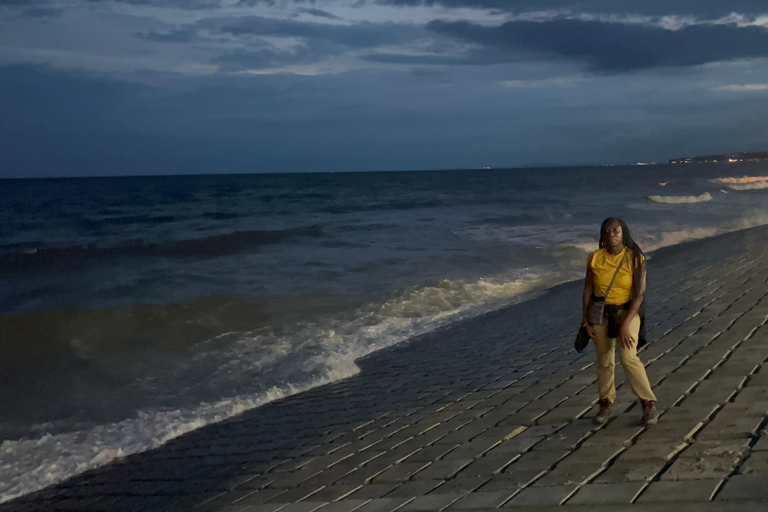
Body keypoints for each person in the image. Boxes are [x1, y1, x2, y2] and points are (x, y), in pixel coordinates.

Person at [582, 218, 658, 426]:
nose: (613, 232)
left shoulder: (635, 258)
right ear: (603, 235)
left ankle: (647, 402)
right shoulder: (594, 258)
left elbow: (640, 295)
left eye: (617, 229)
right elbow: (588, 289)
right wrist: (585, 321)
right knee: (605, 360)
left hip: (628, 312)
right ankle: (605, 403)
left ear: (624, 232)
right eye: (609, 230)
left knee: (628, 356)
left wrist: (626, 324)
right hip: (601, 314)